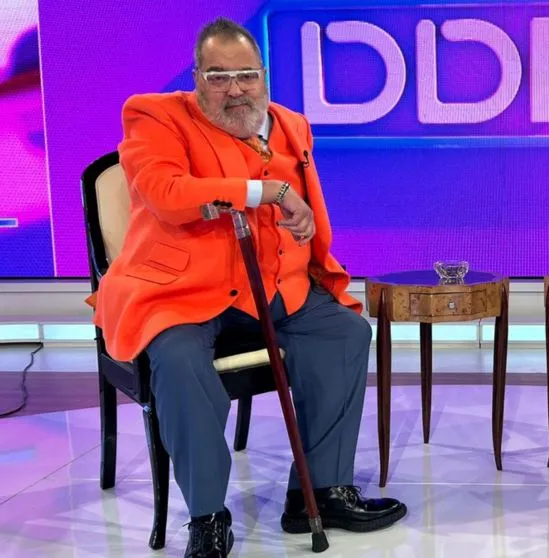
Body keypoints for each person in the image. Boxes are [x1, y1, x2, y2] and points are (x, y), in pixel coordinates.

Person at [89, 17, 406, 557]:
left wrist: (303, 229)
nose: (235, 89)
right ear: (196, 78)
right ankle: (208, 517)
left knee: (345, 334)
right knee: (180, 363)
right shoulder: (154, 115)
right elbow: (166, 192)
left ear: (264, 75)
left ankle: (319, 493)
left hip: (275, 287)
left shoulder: (291, 124)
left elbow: (307, 209)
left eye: (246, 75)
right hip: (181, 292)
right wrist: (268, 191)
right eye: (218, 76)